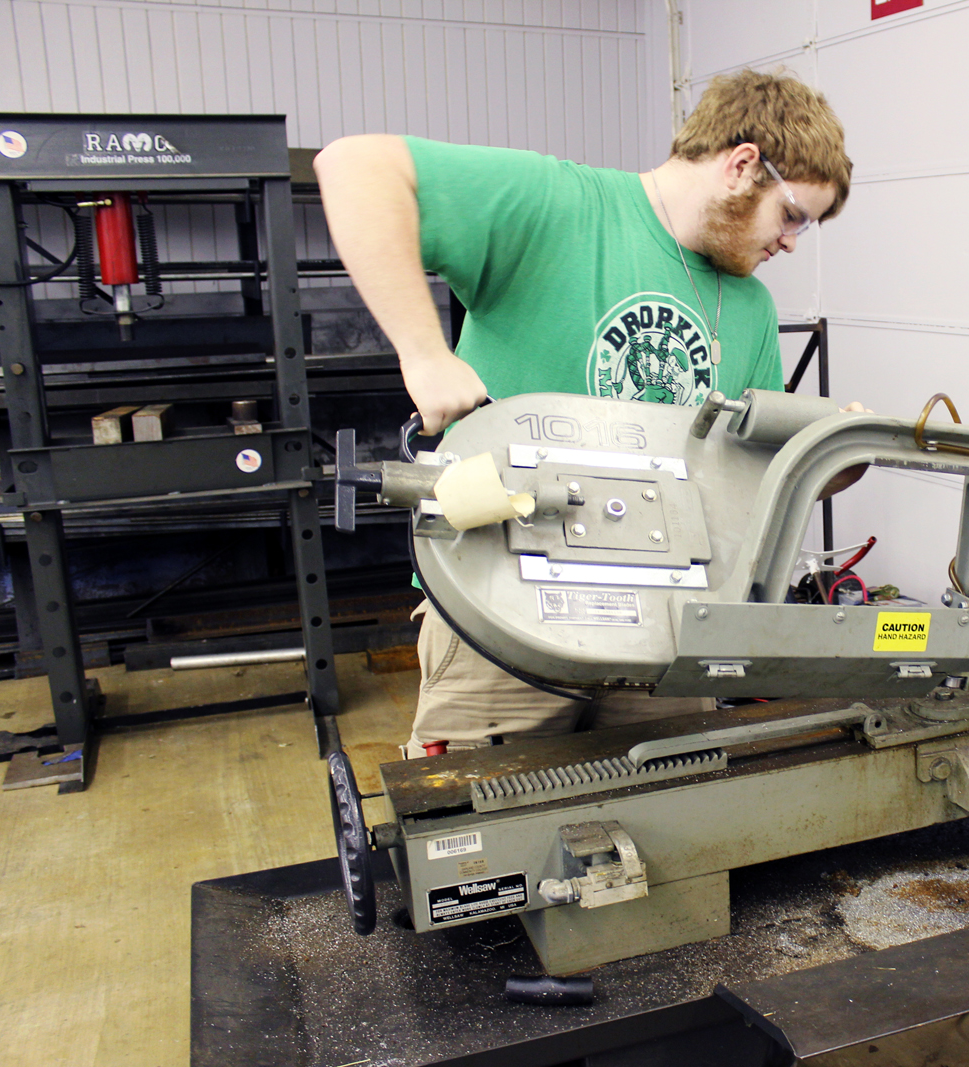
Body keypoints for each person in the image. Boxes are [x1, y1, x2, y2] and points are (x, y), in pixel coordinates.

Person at [314, 70, 853, 757]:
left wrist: (831, 458)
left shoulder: (748, 307)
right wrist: (423, 354)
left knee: (675, 831)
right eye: (792, 215)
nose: (790, 243)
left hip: (663, 636)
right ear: (742, 165)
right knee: (482, 844)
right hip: (502, 618)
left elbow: (750, 477)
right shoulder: (560, 205)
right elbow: (357, 167)